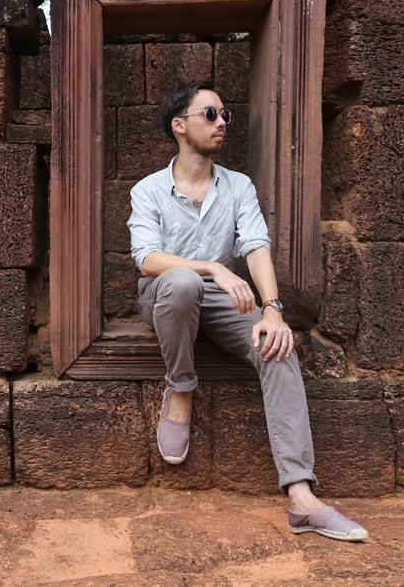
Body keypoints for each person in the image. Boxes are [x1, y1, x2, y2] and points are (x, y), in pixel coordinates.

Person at [127, 80, 368, 542]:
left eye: (225, 115)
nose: (222, 123)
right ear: (179, 126)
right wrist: (213, 267)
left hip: (220, 302)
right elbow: (147, 259)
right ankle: (180, 386)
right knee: (180, 281)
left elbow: (256, 247)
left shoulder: (238, 186)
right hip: (165, 295)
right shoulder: (148, 190)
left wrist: (273, 310)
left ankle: (302, 497)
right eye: (210, 114)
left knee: (275, 347)